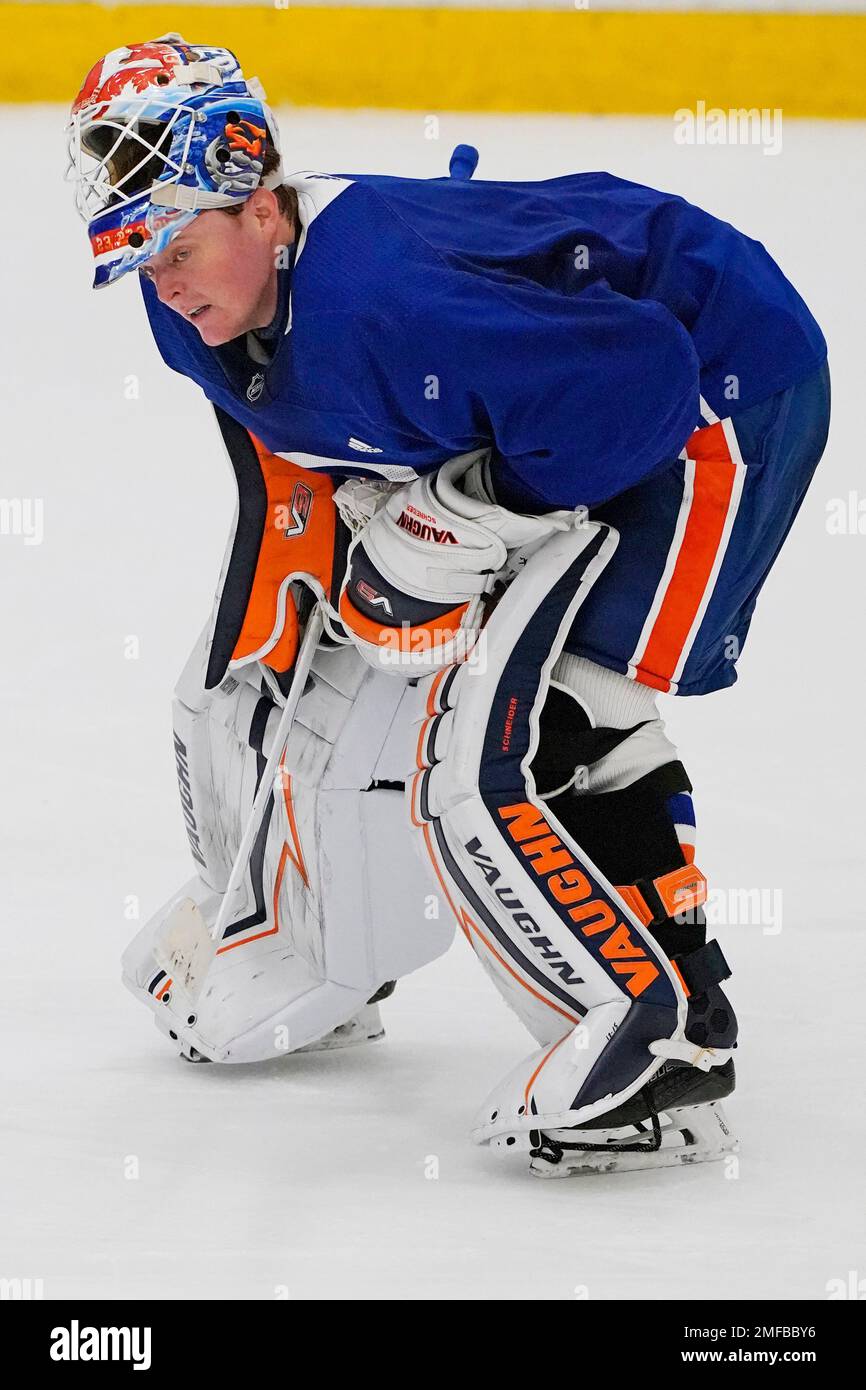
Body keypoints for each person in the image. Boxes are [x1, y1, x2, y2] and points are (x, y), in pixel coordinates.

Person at [67, 35, 829, 1176]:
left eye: (178, 246)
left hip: (717, 385)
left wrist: (471, 508)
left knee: (560, 707)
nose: (165, 283)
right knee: (297, 675)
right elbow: (286, 453)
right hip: (572, 389)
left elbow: (634, 382)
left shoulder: (385, 300)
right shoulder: (201, 311)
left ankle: (671, 1034)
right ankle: (322, 947)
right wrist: (294, 615)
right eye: (142, 258)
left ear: (264, 207)